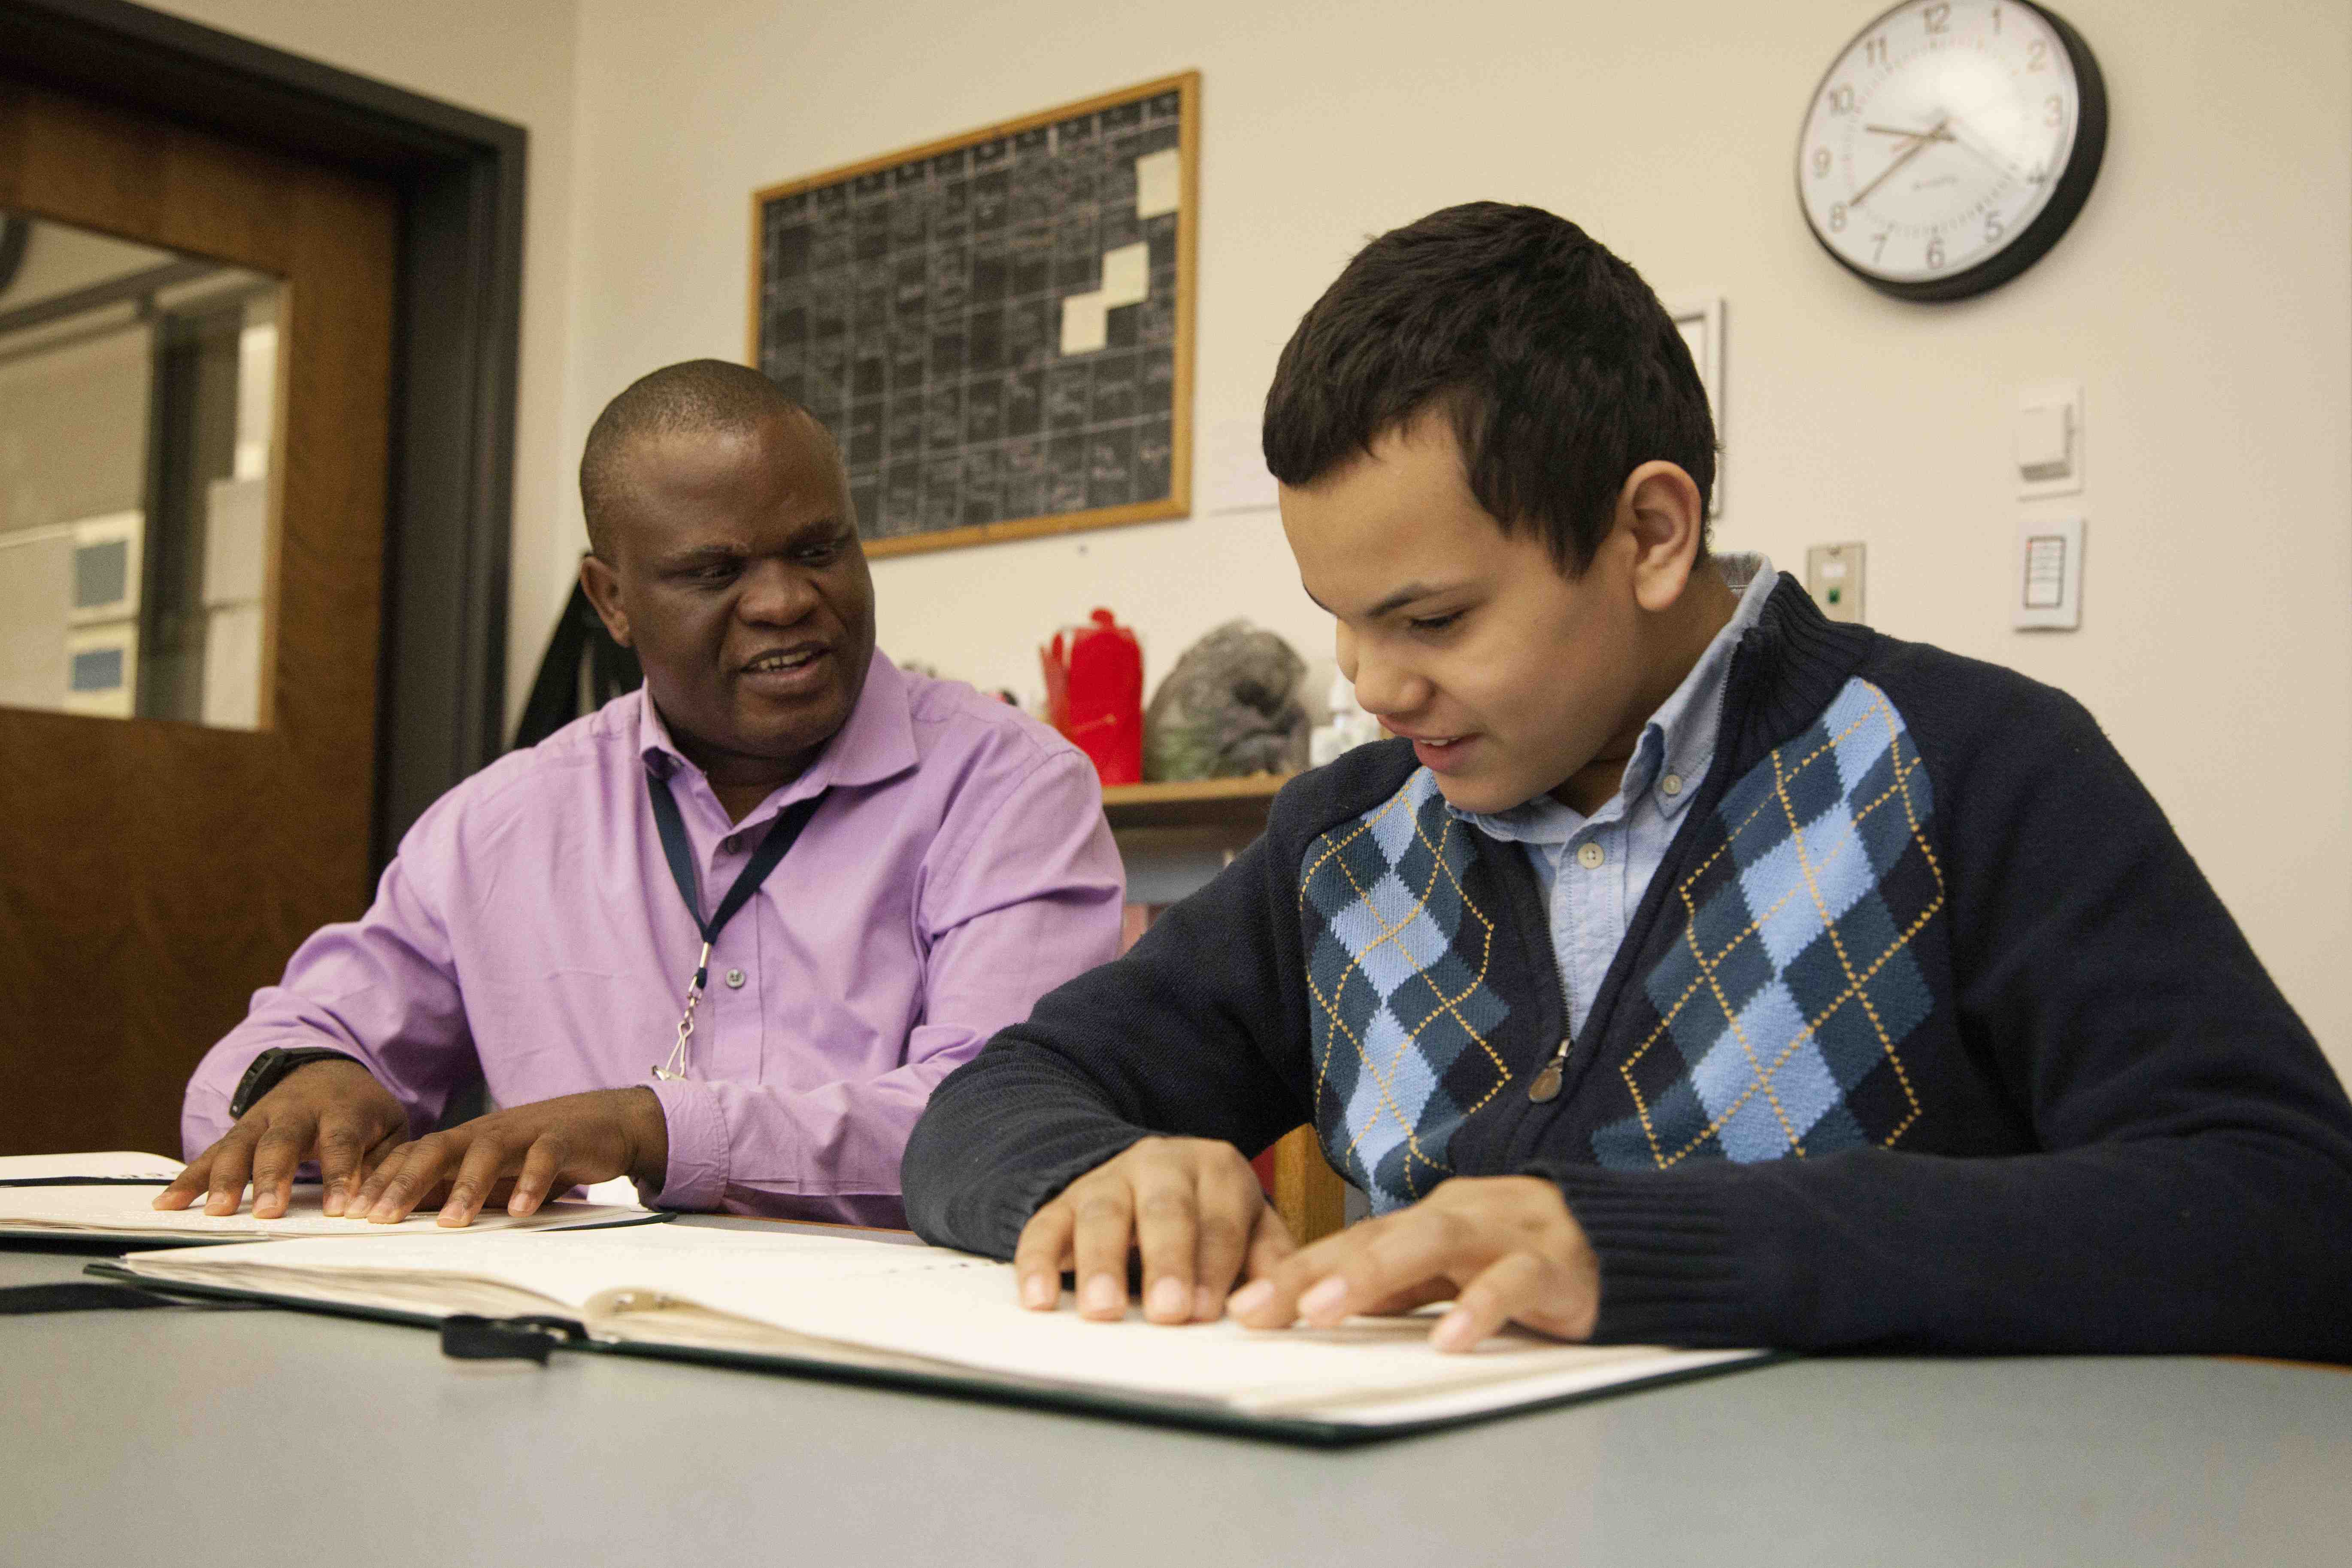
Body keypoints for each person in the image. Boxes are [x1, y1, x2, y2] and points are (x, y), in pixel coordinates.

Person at [902, 203, 2352, 1360]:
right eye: (1339, 616)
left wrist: (1665, 1254)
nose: (1369, 685)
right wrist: (1096, 1177)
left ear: (1650, 533)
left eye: (1432, 618)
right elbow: (998, 1097)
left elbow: (2289, 1209)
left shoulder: (1967, 767)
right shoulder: (1346, 840)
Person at [164, 360, 1122, 1229]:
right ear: (611, 601)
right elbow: (290, 1036)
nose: (784, 600)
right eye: (716, 571)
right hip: (567, 1353)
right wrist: (310, 1079)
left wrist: (651, 1128)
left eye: (819, 549)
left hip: (888, 1359)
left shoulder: (1010, 790)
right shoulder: (500, 823)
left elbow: (1000, 1114)